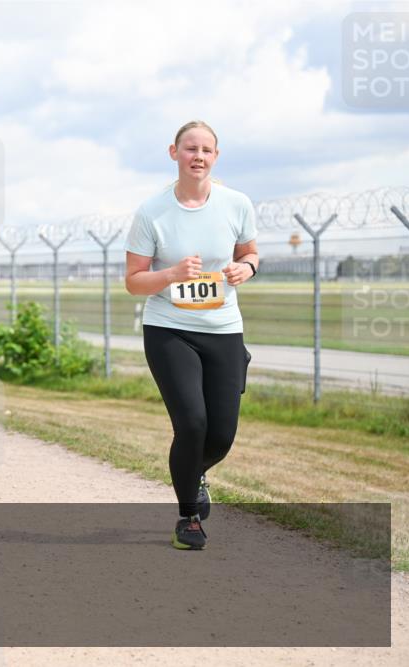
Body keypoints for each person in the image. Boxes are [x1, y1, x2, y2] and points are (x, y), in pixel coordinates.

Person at [124, 120, 258, 551]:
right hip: (169, 329)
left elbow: (250, 252)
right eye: (189, 148)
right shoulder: (152, 211)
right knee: (192, 424)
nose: (197, 156)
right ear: (173, 153)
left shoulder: (236, 204)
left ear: (215, 157)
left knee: (220, 435)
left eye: (206, 150)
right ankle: (187, 518)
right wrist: (171, 274)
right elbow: (133, 281)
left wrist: (247, 268)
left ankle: (193, 473)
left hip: (223, 329)